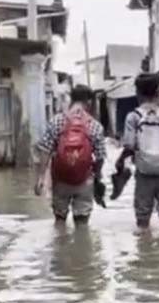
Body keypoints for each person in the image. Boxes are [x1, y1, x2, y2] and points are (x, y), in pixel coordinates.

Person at [116, 73, 159, 230]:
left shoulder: (133, 117)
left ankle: (145, 251)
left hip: (144, 174)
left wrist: (120, 161)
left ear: (137, 93)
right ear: (158, 91)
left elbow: (130, 146)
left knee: (142, 219)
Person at [34, 85, 107, 225]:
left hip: (60, 179)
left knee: (59, 221)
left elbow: (45, 150)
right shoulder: (95, 125)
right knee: (82, 224)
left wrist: (41, 177)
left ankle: (60, 244)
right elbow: (100, 156)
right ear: (89, 102)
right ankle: (80, 245)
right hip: (84, 180)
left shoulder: (56, 120)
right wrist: (96, 176)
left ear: (71, 100)